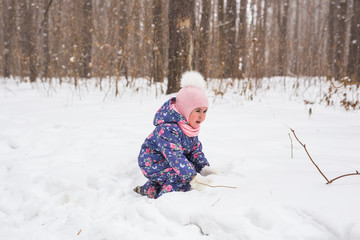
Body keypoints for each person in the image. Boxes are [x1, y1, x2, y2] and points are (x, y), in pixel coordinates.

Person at [134, 71, 218, 199]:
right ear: (185, 109)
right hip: (152, 161)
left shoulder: (189, 126)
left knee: (186, 169)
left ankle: (151, 188)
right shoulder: (168, 129)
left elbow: (195, 150)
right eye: (197, 111)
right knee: (181, 179)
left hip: (168, 160)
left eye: (204, 111)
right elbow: (175, 156)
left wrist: (203, 168)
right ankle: (167, 198)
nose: (202, 116)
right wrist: (193, 178)